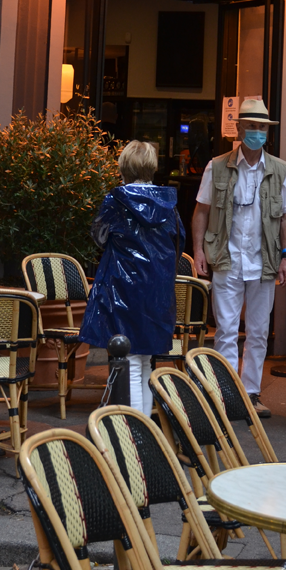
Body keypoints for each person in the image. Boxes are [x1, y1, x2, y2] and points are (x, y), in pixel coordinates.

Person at [191, 98, 286, 418]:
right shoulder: (217, 165)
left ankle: (250, 393)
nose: (257, 131)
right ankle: (225, 392)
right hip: (227, 258)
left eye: (262, 127)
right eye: (251, 126)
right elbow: (202, 210)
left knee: (259, 330)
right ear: (238, 129)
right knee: (224, 328)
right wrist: (198, 250)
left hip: (263, 261)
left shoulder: (280, 169)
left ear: (268, 131)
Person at [79, 140, 184, 417]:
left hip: (123, 286)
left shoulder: (115, 199)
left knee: (128, 360)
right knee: (147, 359)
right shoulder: (168, 203)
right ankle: (146, 426)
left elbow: (99, 236)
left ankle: (135, 432)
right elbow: (178, 241)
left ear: (123, 166)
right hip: (158, 286)